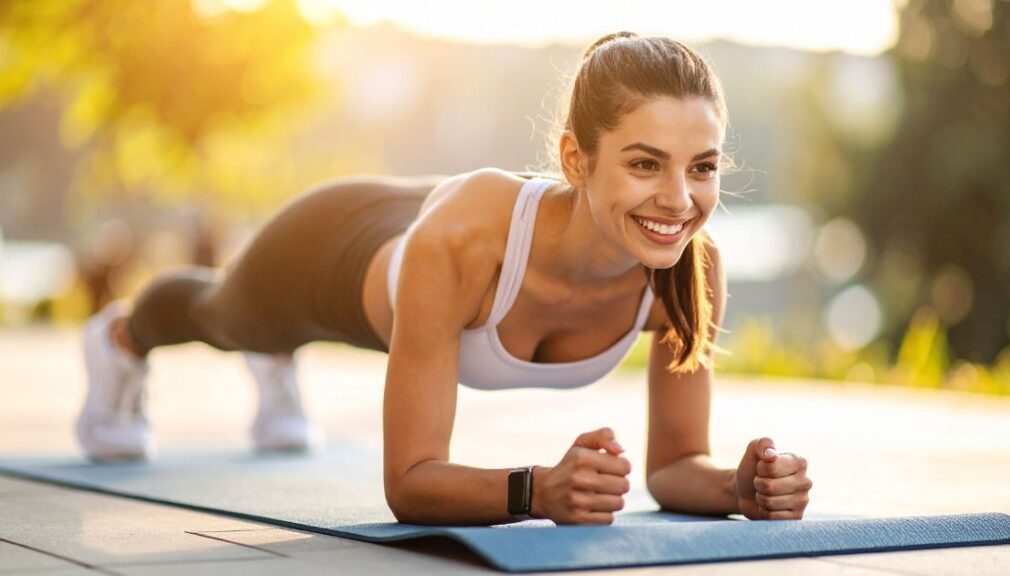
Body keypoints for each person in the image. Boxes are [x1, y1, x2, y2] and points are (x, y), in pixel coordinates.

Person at [77, 31, 813, 526]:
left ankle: (272, 368)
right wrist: (537, 488)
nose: (679, 201)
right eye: (645, 164)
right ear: (576, 160)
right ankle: (118, 338)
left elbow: (676, 465)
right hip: (333, 247)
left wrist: (734, 488)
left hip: (449, 219)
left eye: (703, 167)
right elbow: (410, 480)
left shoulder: (692, 268)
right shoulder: (462, 241)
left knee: (262, 322)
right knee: (221, 311)